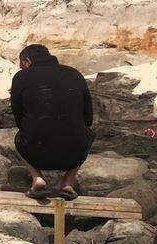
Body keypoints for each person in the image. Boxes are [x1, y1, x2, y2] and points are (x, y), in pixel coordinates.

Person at [10, 44, 94, 200]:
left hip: (35, 151)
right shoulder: (74, 74)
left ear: (27, 62)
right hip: (74, 153)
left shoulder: (21, 77)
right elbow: (88, 118)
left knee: (18, 137)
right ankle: (68, 182)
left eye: (22, 67)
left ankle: (38, 179)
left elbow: (18, 117)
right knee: (88, 134)